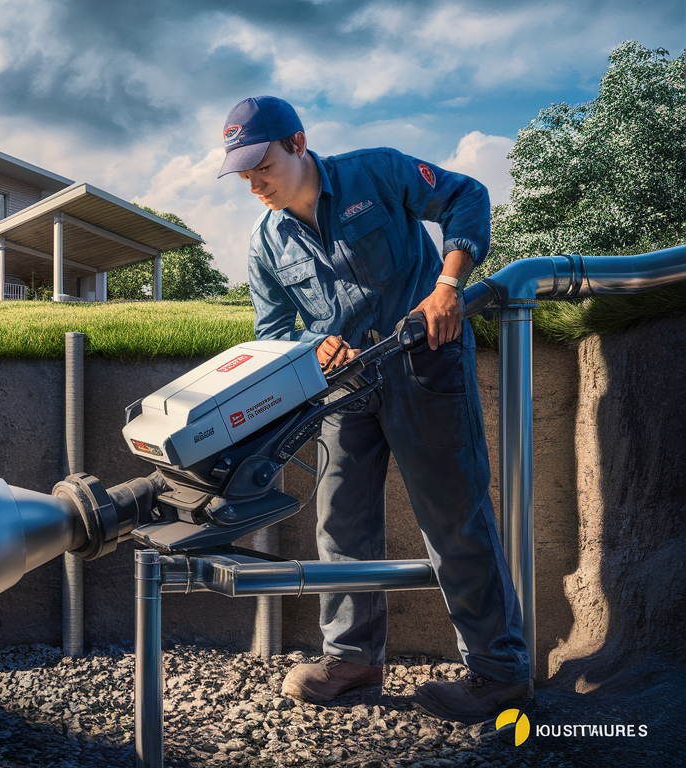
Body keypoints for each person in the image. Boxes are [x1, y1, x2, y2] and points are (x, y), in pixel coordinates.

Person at [217, 96, 531, 723]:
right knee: (340, 524)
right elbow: (270, 329)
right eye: (243, 172)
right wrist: (312, 345)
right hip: (342, 389)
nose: (254, 183)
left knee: (454, 519)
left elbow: (467, 196)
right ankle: (353, 658)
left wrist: (449, 286)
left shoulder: (377, 172)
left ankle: (499, 674)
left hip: (426, 367)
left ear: (297, 144)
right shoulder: (266, 241)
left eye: (261, 165)